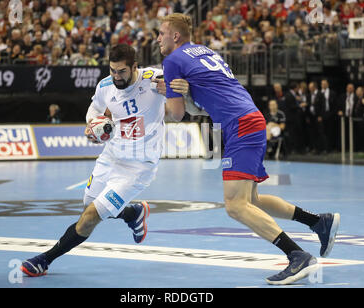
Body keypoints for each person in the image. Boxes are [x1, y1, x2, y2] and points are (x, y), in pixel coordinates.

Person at [157, 13, 340, 285]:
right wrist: (188, 93)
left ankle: (297, 255)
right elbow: (208, 97)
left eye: (161, 33)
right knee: (251, 200)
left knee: (235, 205)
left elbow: (177, 114)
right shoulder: (204, 51)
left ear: (175, 36)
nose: (157, 38)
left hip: (239, 124)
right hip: (249, 118)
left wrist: (170, 95)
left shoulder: (172, 61)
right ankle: (317, 222)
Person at [20, 44, 171, 277]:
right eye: (112, 70)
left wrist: (174, 88)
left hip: (138, 167)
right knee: (89, 203)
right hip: (111, 156)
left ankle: (45, 260)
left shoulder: (155, 79)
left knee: (91, 216)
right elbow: (94, 112)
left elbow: (191, 90)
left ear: (134, 67)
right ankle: (133, 214)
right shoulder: (105, 86)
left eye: (121, 71)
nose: (116, 76)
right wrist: (94, 129)